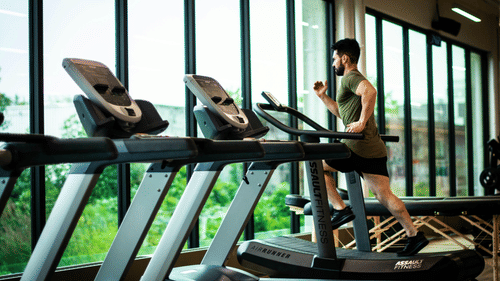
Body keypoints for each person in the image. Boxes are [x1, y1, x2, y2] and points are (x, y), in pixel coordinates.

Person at [313, 38, 428, 256]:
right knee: (384, 195)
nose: (333, 63)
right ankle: (414, 235)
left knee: (316, 165)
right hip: (373, 149)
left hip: (355, 147)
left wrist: (362, 123)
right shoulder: (351, 82)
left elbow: (371, 92)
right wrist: (323, 97)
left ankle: (340, 209)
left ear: (344, 58)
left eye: (335, 59)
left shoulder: (351, 78)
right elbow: (342, 112)